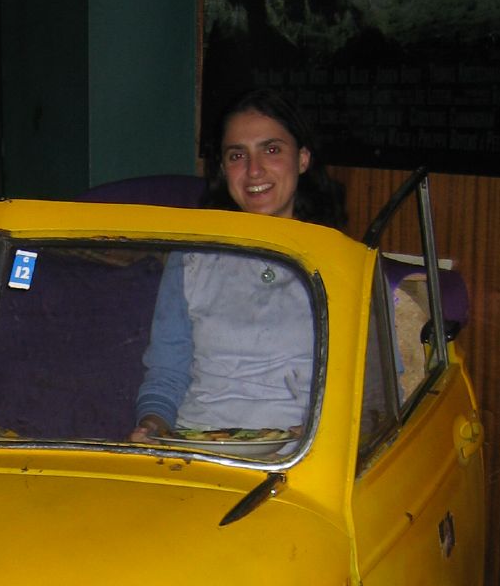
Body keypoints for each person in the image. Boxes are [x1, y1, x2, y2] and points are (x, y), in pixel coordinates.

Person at [130, 89, 345, 442]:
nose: (254, 170)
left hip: (303, 452)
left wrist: (321, 433)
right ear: (222, 168)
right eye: (237, 155)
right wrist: (152, 426)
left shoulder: (339, 262)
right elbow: (167, 372)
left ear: (303, 159)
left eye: (272, 150)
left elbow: (373, 390)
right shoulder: (191, 258)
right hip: (198, 446)